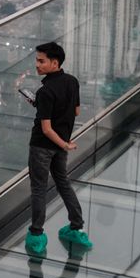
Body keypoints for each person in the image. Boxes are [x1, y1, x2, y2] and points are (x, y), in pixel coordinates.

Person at [22, 42, 92, 256]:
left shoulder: (45, 91)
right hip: (61, 142)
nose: (37, 65)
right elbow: (76, 111)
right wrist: (63, 143)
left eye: (41, 61)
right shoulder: (72, 81)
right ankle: (76, 226)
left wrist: (65, 145)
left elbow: (46, 129)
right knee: (63, 182)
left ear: (55, 63)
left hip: (42, 146)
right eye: (37, 60)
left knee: (39, 189)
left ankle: (36, 235)